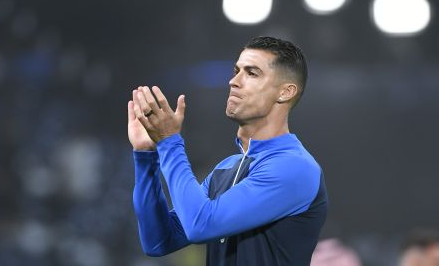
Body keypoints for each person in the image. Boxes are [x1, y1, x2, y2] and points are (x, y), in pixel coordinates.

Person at [128, 36, 328, 266]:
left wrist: (169, 141)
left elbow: (201, 225)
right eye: (236, 71)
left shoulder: (294, 167)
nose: (234, 81)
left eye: (251, 73)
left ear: (285, 92)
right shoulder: (226, 168)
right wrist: (145, 156)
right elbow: (158, 241)